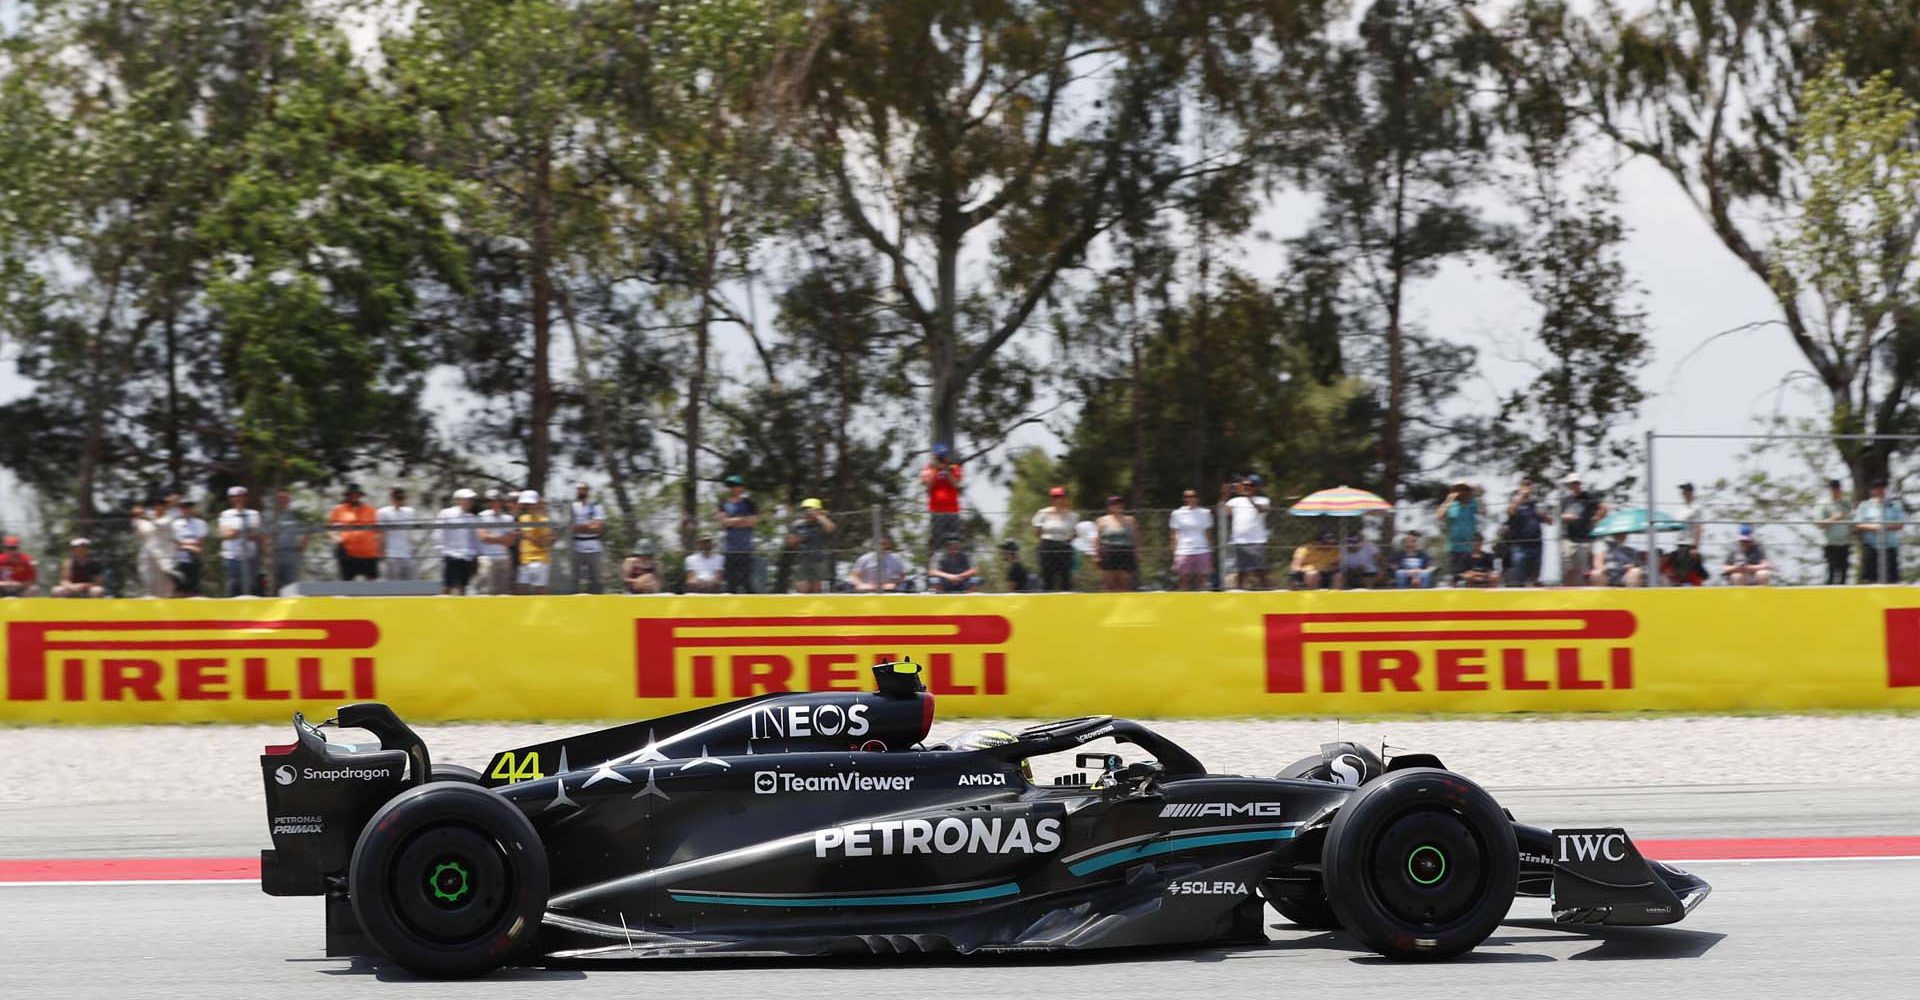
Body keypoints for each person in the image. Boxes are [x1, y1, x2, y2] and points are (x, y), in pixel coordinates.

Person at [1225, 475, 1273, 590]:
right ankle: (1240, 596)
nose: (1246, 487)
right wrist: (1226, 493)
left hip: (1256, 540)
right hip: (1239, 541)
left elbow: (1262, 510)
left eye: (1250, 485)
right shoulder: (1235, 501)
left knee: (1260, 571)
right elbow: (1224, 510)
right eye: (1244, 485)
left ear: (1256, 487)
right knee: (1241, 572)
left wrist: (1249, 498)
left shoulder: (1263, 500)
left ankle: (1269, 594)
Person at [1558, 474, 1606, 585]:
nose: (1575, 485)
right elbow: (1561, 516)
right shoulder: (1565, 500)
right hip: (1570, 538)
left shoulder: (1589, 497)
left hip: (1586, 538)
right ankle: (1567, 588)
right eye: (1572, 483)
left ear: (1580, 484)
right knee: (1568, 566)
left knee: (1584, 567)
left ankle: (1583, 587)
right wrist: (1567, 517)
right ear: (1569, 486)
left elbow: (1604, 508)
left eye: (1576, 483)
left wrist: (1596, 519)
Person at [217, 485, 265, 597]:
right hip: (231, 557)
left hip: (250, 557)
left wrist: (235, 531)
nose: (238, 498)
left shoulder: (254, 514)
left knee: (251, 587)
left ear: (245, 498)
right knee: (232, 587)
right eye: (235, 496)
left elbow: (255, 534)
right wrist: (245, 530)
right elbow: (225, 534)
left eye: (241, 496)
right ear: (231, 499)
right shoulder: (226, 514)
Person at [716, 474, 758, 594]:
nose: (733, 488)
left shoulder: (750, 504)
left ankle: (754, 609)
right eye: (730, 486)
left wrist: (732, 521)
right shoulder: (723, 504)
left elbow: (753, 522)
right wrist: (743, 520)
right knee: (731, 583)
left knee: (747, 582)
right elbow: (723, 523)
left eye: (736, 485)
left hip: (746, 549)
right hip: (730, 550)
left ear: (742, 487)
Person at [1855, 479, 1904, 584]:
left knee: (1892, 580)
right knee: (1869, 580)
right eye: (1877, 488)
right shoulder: (1865, 506)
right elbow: (1858, 524)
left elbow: (1900, 524)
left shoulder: (1895, 506)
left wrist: (1884, 527)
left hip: (1890, 547)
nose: (1880, 490)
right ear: (1873, 490)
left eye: (1882, 488)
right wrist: (1873, 527)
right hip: (1871, 547)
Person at [328, 484, 380, 581]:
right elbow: (331, 528)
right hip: (348, 554)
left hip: (369, 554)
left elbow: (378, 530)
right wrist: (337, 539)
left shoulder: (371, 510)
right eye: (351, 494)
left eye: (356, 494)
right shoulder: (339, 509)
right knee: (347, 588)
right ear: (347, 495)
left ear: (360, 496)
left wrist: (378, 547)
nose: (354, 496)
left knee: (373, 588)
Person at [786, 498, 837, 594]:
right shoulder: (797, 525)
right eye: (805, 509)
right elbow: (790, 542)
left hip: (820, 560)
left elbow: (831, 529)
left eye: (811, 509)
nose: (807, 512)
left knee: (817, 590)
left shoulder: (823, 522)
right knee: (802, 589)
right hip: (802, 560)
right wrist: (797, 539)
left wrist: (819, 516)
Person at [920, 444, 965, 550]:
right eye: (940, 456)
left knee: (954, 541)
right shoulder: (928, 469)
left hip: (952, 511)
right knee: (937, 542)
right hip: (937, 512)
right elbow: (928, 487)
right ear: (935, 457)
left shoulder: (954, 468)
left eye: (944, 455)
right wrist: (936, 470)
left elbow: (956, 484)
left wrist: (946, 470)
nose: (943, 458)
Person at [1168, 488, 1214, 591]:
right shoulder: (1177, 513)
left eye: (1192, 496)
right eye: (1187, 497)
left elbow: (1208, 533)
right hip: (1183, 550)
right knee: (1183, 580)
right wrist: (1174, 552)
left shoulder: (1205, 513)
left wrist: (1210, 550)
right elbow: (1173, 534)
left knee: (1202, 580)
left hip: (1202, 549)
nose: (1189, 499)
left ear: (1197, 498)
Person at [1031, 487, 1076, 591]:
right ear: (1051, 499)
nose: (1058, 499)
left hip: (1064, 546)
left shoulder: (1072, 515)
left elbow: (1074, 533)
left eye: (1060, 496)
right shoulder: (1043, 513)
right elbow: (1037, 531)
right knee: (1047, 578)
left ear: (1064, 498)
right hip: (1047, 546)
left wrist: (1065, 541)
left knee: (1065, 577)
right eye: (1055, 497)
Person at [437, 488, 480, 595]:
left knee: (463, 586)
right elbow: (439, 533)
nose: (470, 502)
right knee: (447, 586)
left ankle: (461, 609)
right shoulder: (446, 513)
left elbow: (473, 539)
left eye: (471, 499)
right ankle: (441, 608)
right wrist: (442, 550)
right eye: (467, 499)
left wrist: (474, 554)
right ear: (459, 500)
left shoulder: (472, 517)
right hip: (451, 555)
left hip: (466, 556)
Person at [473, 490, 516, 595]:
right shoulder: (481, 516)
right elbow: (483, 537)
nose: (495, 503)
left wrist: (493, 538)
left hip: (504, 558)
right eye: (492, 501)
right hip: (487, 558)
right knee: (486, 591)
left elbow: (511, 541)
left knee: (503, 591)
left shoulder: (508, 518)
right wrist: (503, 539)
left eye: (497, 500)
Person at [1503, 479, 1544, 586]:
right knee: (1518, 577)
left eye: (1529, 485)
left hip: (1536, 544)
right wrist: (1520, 498)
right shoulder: (1515, 501)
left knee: (1534, 576)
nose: (1527, 488)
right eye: (1524, 485)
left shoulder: (1536, 503)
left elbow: (1550, 521)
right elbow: (1510, 512)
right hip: (1520, 546)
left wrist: (1541, 514)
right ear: (1520, 487)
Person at [1093, 496, 1138, 592]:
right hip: (1108, 552)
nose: (1117, 506)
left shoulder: (1131, 520)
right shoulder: (1101, 520)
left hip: (1126, 552)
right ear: (1109, 507)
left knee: (1124, 582)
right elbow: (1097, 539)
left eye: (1119, 503)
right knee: (1109, 582)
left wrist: (1136, 553)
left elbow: (1135, 538)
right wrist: (1096, 555)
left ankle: (1124, 604)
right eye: (1113, 504)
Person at [130, 503, 176, 598]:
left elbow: (160, 524)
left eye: (160, 504)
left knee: (166, 576)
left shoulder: (168, 518)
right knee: (148, 580)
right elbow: (138, 528)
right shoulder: (142, 521)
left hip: (165, 553)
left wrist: (145, 514)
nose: (158, 507)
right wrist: (137, 516)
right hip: (148, 554)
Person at [267, 489, 308, 594]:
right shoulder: (270, 516)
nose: (282, 501)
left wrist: (301, 548)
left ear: (289, 500)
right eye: (280, 498)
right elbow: (263, 534)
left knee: (290, 586)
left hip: (291, 554)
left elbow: (306, 531)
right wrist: (266, 553)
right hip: (274, 554)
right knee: (272, 586)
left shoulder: (295, 516)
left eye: (285, 498)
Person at [569, 482, 607, 594]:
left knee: (596, 578)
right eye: (579, 489)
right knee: (575, 579)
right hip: (577, 547)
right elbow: (572, 528)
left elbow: (598, 527)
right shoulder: (573, 506)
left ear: (587, 491)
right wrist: (589, 525)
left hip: (594, 547)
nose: (581, 491)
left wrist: (581, 527)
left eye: (583, 489)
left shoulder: (596, 506)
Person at [376, 487, 419, 581]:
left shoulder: (410, 511)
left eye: (401, 498)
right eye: (397, 498)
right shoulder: (383, 512)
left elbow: (411, 533)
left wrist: (413, 548)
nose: (399, 500)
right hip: (391, 554)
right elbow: (380, 534)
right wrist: (381, 553)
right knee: (393, 586)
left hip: (407, 554)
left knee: (410, 584)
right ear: (391, 498)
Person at [515, 490, 554, 594]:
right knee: (521, 592)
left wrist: (527, 536)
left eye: (532, 504)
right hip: (525, 561)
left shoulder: (544, 520)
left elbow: (545, 543)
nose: (530, 506)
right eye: (527, 504)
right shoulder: (522, 518)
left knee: (540, 593)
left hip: (541, 561)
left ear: (537, 503)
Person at [1441, 483, 1481, 582]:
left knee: (1470, 577)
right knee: (1456, 577)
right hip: (1454, 547)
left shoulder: (1473, 504)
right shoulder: (1451, 505)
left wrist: (1475, 495)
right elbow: (1439, 515)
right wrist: (1448, 500)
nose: (1461, 492)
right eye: (1458, 490)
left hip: (1469, 548)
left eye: (1464, 490)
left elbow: (1484, 511)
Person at [171, 498, 209, 594]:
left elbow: (200, 542)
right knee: (179, 590)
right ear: (180, 509)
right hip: (179, 560)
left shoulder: (200, 523)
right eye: (183, 507)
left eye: (188, 507)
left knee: (194, 590)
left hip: (195, 560)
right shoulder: (175, 524)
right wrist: (191, 546)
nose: (186, 509)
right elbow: (175, 543)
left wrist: (183, 544)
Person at [1819, 478, 1853, 585]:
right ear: (1830, 490)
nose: (1836, 490)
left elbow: (1852, 520)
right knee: (1831, 573)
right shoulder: (1823, 504)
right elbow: (1819, 524)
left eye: (1837, 488)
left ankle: (1844, 600)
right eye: (1833, 488)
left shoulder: (1846, 503)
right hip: (1831, 544)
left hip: (1845, 543)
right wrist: (1833, 519)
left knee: (1844, 574)